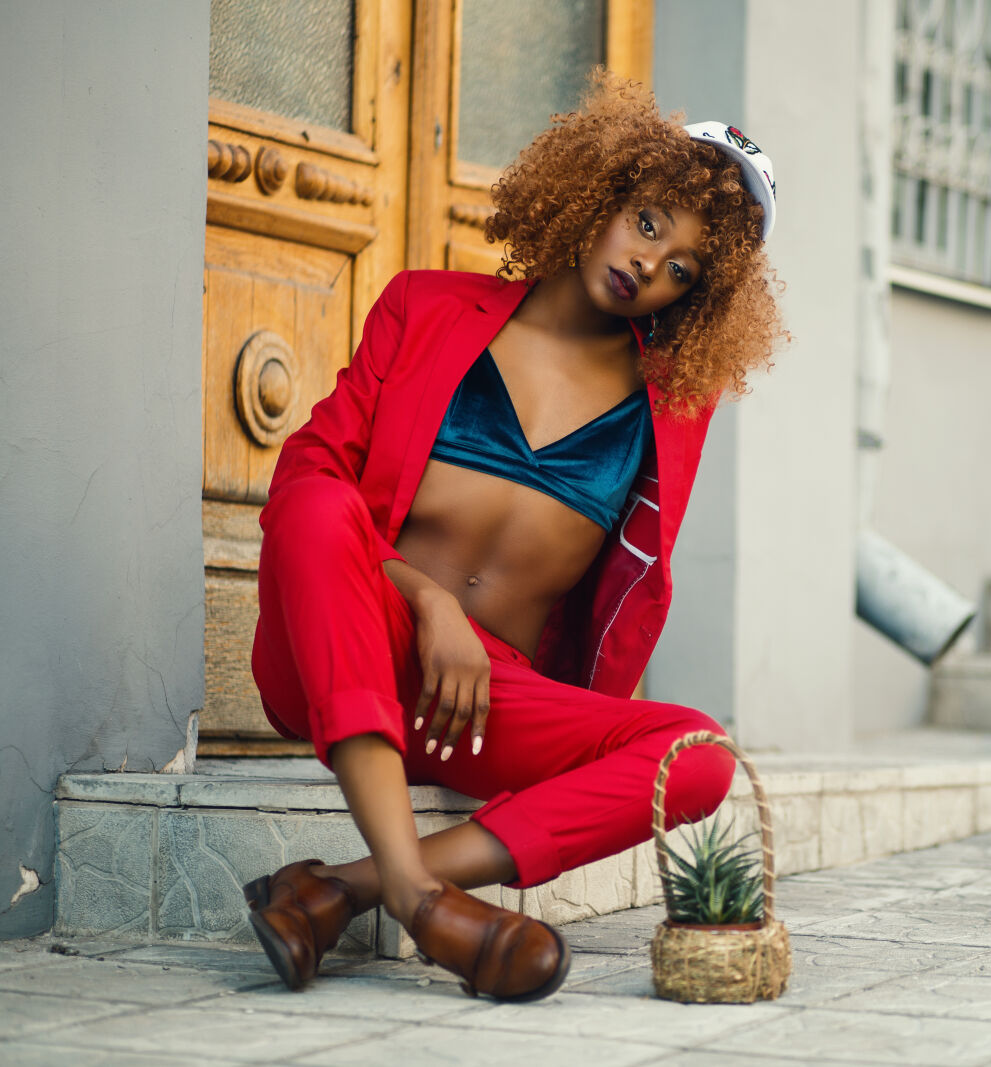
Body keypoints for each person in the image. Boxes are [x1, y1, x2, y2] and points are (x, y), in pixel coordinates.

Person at [243, 71, 782, 1002]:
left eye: (684, 267)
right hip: (345, 648)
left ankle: (337, 890)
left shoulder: (674, 411)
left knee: (700, 756)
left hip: (484, 706)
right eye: (649, 222)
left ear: (695, 296)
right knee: (317, 504)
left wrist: (479, 644)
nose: (650, 263)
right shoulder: (426, 308)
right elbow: (306, 479)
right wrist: (429, 600)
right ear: (602, 192)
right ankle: (419, 898)